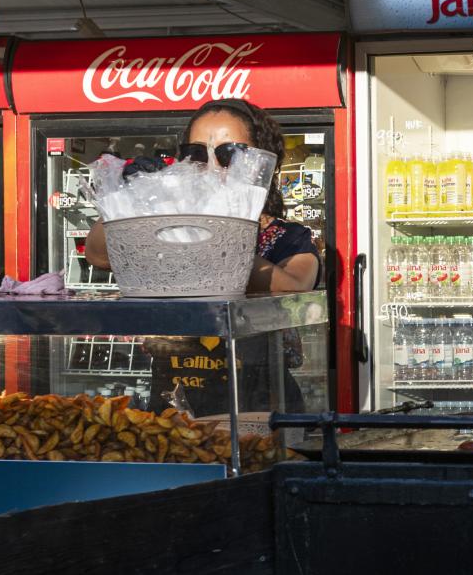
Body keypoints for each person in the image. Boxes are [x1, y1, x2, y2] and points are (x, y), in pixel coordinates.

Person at [83, 98, 320, 415]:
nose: (209, 166)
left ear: (262, 163)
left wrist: (220, 238)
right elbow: (98, 254)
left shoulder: (289, 237)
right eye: (195, 154)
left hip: (258, 404)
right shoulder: (167, 226)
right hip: (175, 398)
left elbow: (295, 290)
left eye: (228, 154)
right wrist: (134, 201)